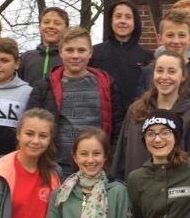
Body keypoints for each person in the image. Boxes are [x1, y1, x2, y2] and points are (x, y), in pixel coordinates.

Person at [27, 26, 122, 176]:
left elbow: (118, 127)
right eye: (69, 50)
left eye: (81, 50)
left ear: (90, 52)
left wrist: (110, 162)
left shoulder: (107, 84)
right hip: (57, 166)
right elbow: (31, 124)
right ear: (60, 51)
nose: (75, 55)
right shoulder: (45, 86)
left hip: (96, 166)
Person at [114, 51, 190, 181]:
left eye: (172, 71)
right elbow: (122, 154)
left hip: (174, 189)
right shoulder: (136, 110)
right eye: (160, 71)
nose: (164, 77)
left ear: (183, 77)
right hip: (136, 187)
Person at [140, 8, 190, 119]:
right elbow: (140, 111)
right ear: (160, 39)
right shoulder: (148, 74)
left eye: (181, 35)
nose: (176, 41)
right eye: (170, 35)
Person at [89, 0, 153, 121]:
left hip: (135, 119)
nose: (123, 21)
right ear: (111, 21)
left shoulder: (147, 56)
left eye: (128, 17)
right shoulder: (94, 53)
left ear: (135, 22)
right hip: (102, 119)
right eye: (118, 16)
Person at [19, 6, 69, 86]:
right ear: (39, 27)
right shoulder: (26, 58)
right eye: (46, 22)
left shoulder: (70, 58)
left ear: (66, 29)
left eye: (57, 23)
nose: (51, 26)